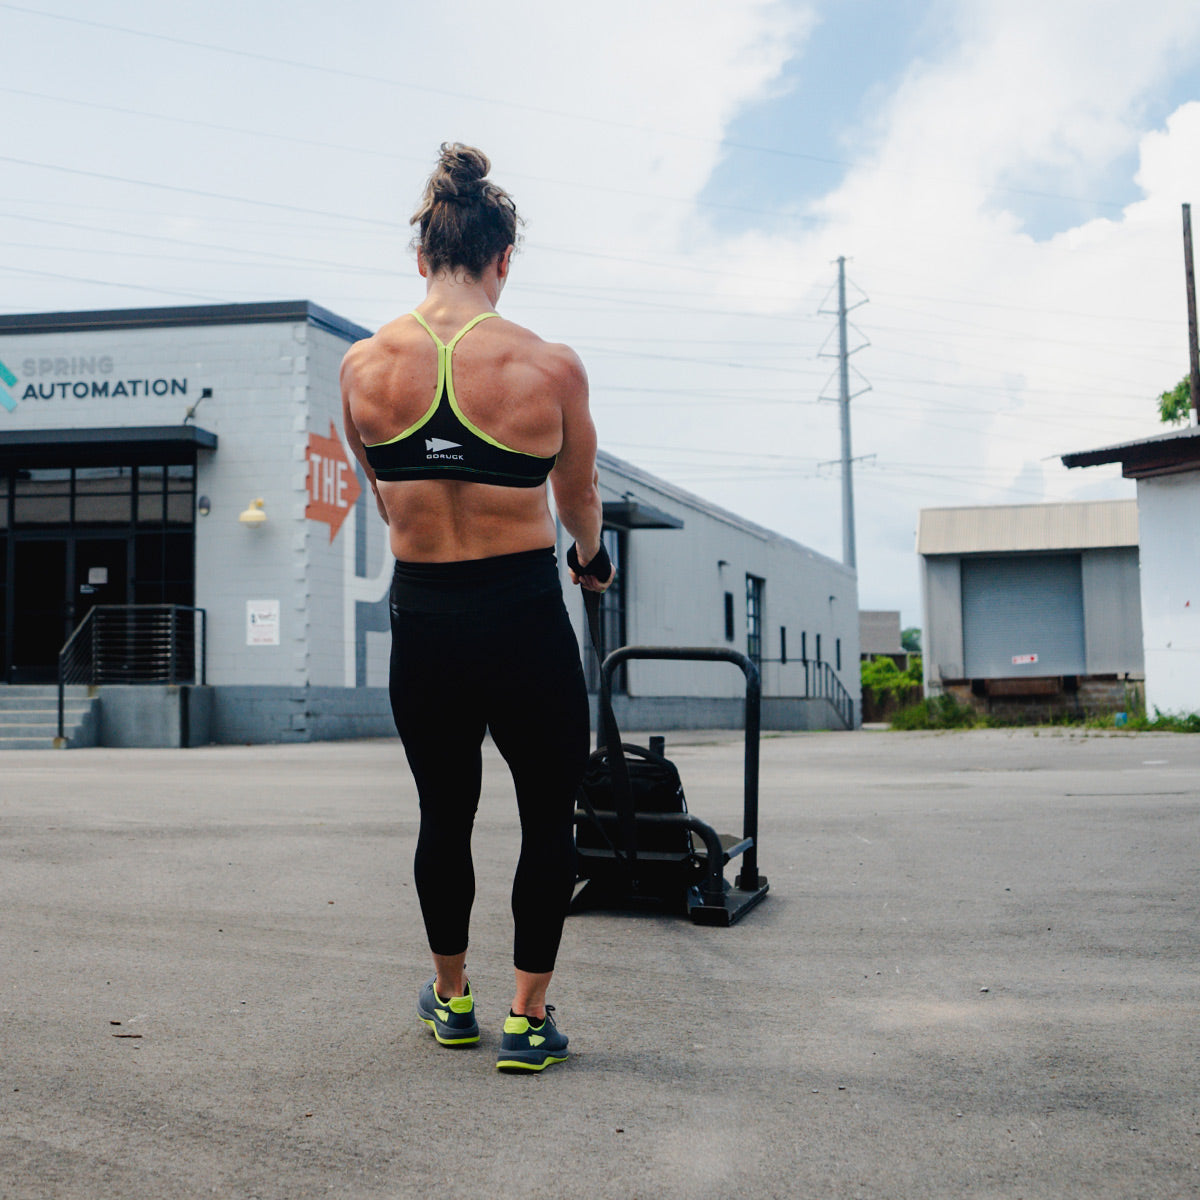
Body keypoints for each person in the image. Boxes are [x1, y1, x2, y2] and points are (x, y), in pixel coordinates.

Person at [340, 143, 614, 1072]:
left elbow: (386, 497)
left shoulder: (363, 368)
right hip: (525, 618)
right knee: (548, 818)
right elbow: (578, 503)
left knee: (442, 813)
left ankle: (450, 999)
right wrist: (593, 561)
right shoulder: (549, 367)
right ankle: (527, 1021)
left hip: (425, 620)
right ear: (504, 260)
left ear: (422, 257)